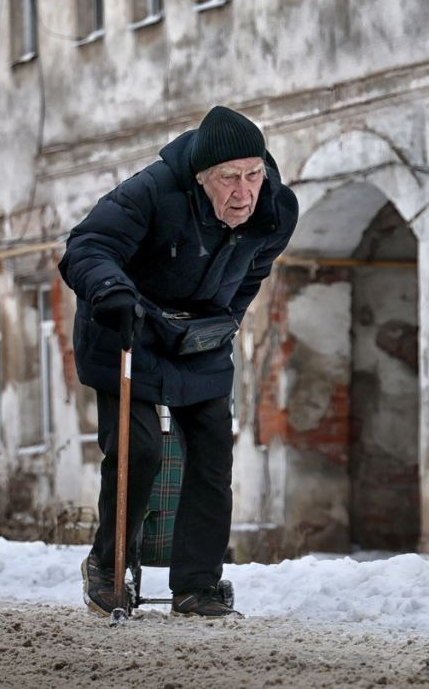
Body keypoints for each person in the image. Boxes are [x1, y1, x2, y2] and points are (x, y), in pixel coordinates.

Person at [59, 105, 298, 618]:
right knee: (139, 448)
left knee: (212, 455)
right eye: (229, 178)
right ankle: (108, 566)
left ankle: (196, 585)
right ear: (200, 177)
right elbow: (87, 245)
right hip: (127, 324)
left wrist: (226, 318)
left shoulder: (277, 208)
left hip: (198, 334)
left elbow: (254, 270)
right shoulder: (151, 191)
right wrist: (110, 290)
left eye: (253, 174)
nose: (244, 192)